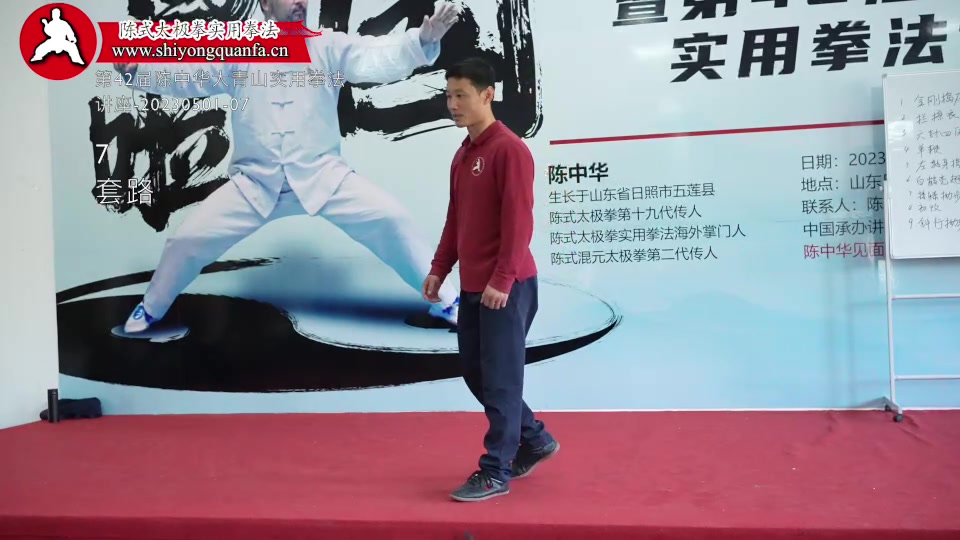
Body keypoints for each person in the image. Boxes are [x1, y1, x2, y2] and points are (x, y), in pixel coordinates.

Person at [114, 0, 462, 335]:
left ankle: (445, 300)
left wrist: (420, 42)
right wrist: (139, 72)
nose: (300, 2)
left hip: (322, 176)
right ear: (266, 5)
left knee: (391, 219)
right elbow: (191, 75)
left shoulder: (327, 46)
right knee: (187, 239)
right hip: (255, 182)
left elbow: (375, 57)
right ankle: (152, 307)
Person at [422, 57, 558, 502]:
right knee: (475, 373)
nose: (453, 104)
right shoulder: (463, 154)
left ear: (487, 94)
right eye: (449, 96)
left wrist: (502, 279)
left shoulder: (510, 149)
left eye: (461, 95)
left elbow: (519, 222)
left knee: (501, 380)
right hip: (474, 286)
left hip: (508, 286)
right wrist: (439, 268)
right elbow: (455, 220)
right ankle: (535, 438)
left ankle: (495, 471)